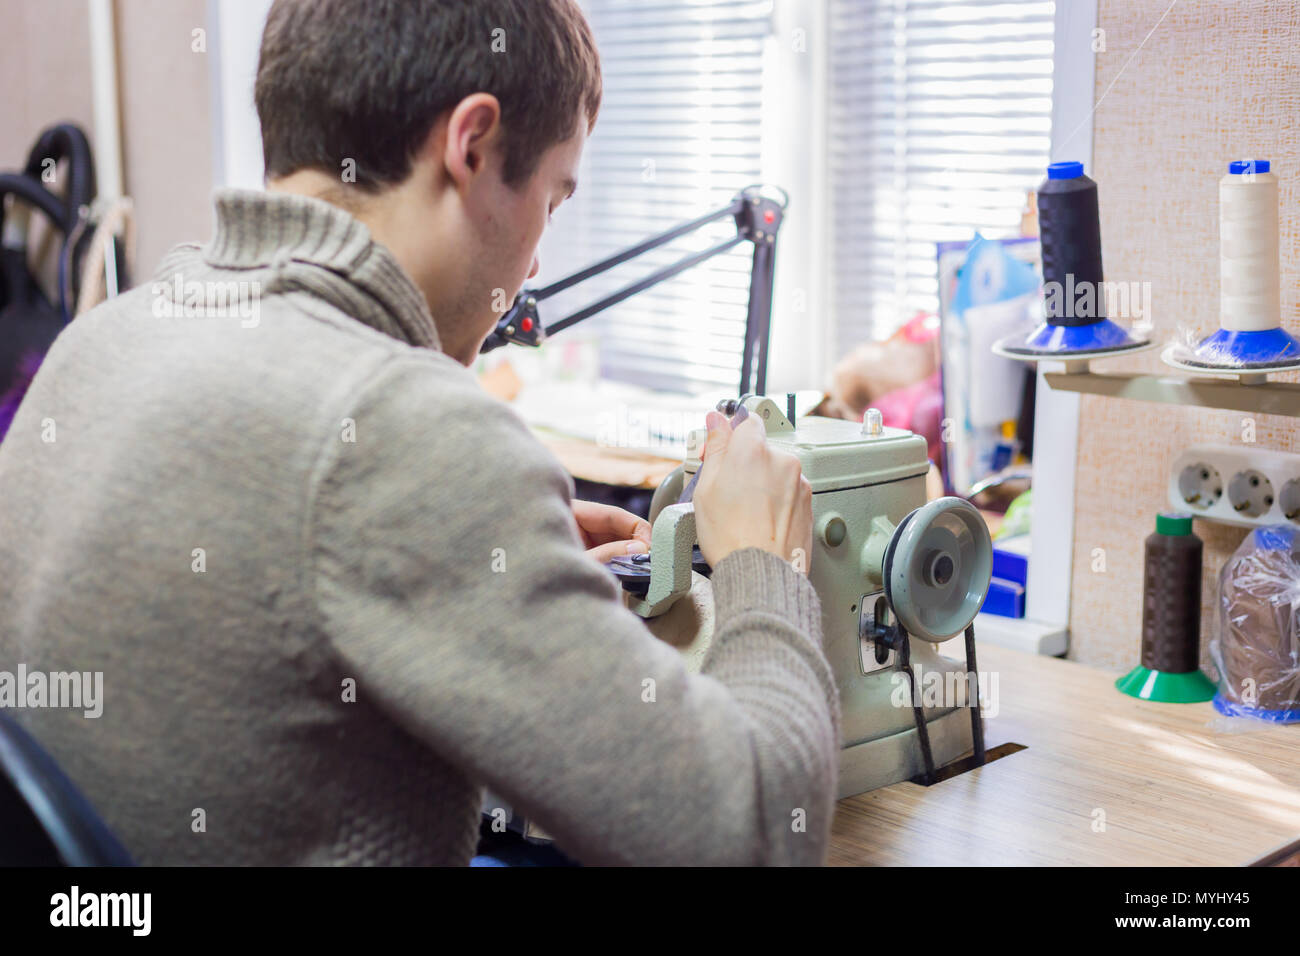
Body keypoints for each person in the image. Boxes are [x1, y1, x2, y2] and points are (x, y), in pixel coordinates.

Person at [0, 0, 839, 865]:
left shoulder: (93, 344)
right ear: (471, 147)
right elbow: (760, 836)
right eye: (552, 198)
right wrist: (764, 567)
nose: (538, 261)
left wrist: (493, 585)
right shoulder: (408, 435)